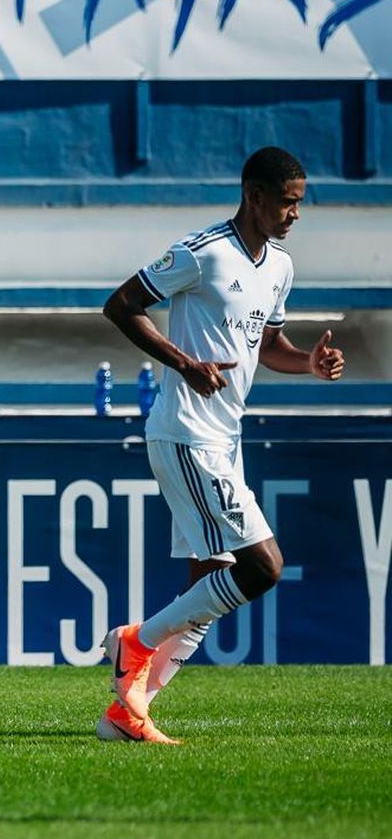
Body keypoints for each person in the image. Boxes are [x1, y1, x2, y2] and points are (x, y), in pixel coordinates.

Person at [100, 146, 344, 744]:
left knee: (209, 582)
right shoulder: (203, 252)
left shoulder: (280, 265)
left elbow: (271, 345)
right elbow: (121, 305)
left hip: (223, 438)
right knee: (263, 567)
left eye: (300, 203)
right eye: (286, 202)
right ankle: (137, 640)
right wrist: (184, 363)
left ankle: (129, 712)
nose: (294, 214)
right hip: (186, 432)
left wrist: (309, 363)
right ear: (253, 196)